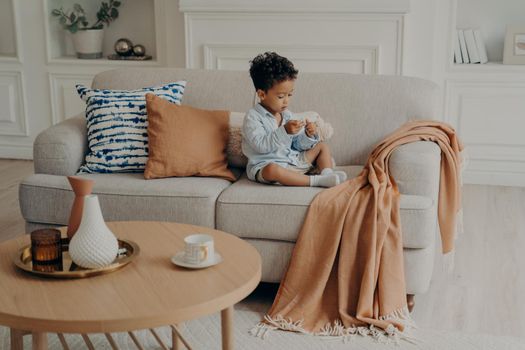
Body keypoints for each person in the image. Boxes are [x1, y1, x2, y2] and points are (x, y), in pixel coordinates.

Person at [242, 52, 347, 188]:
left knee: (322, 146)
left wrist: (308, 136)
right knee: (273, 169)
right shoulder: (252, 117)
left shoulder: (287, 115)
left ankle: (327, 175)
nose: (286, 101)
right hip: (267, 167)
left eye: (290, 94)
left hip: (292, 161)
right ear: (262, 94)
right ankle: (317, 181)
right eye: (281, 96)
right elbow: (261, 145)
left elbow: (296, 145)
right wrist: (284, 131)